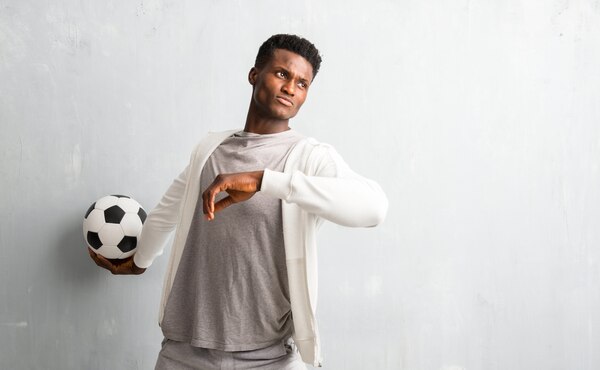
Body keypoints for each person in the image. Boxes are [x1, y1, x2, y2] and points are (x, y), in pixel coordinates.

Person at [89, 34, 388, 369]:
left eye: (302, 83)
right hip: (184, 351)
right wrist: (139, 261)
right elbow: (167, 213)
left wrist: (265, 181)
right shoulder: (209, 150)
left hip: (269, 357)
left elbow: (374, 208)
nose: (291, 88)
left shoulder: (308, 158)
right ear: (254, 75)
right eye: (281, 74)